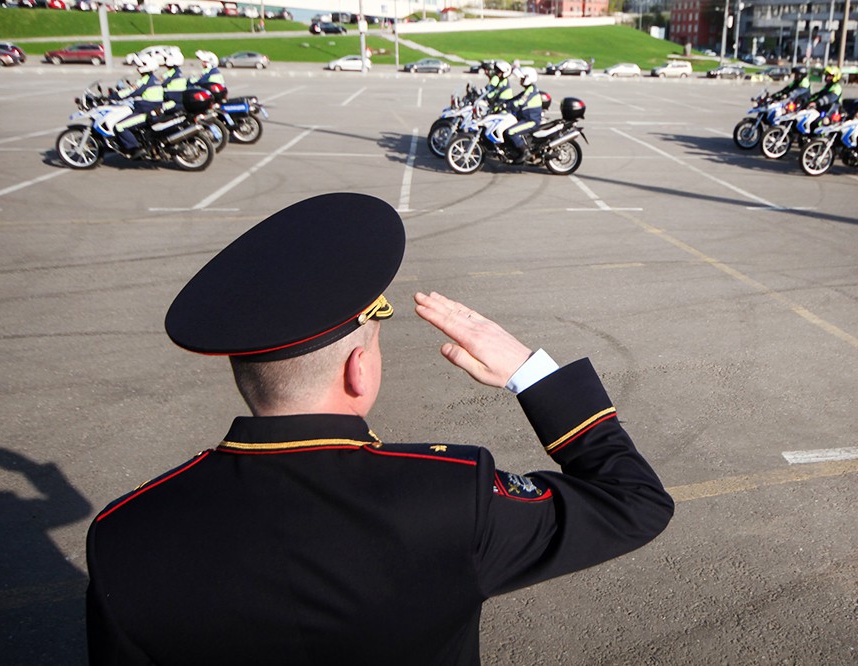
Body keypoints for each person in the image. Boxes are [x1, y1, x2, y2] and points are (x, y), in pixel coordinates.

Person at [85, 193, 674, 665]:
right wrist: (530, 374)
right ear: (357, 368)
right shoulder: (449, 496)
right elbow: (634, 503)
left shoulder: (122, 533)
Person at [111, 54, 167, 158]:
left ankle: (135, 149)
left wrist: (111, 97)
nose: (137, 68)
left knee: (119, 126)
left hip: (146, 112)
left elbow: (131, 92)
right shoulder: (152, 79)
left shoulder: (146, 81)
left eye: (139, 66)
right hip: (153, 110)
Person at [504, 66, 544, 163]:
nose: (520, 80)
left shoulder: (530, 91)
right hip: (525, 118)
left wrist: (508, 105)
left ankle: (525, 152)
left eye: (522, 78)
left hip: (531, 120)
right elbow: (515, 98)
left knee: (510, 131)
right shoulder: (528, 89)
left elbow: (520, 102)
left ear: (528, 78)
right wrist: (503, 102)